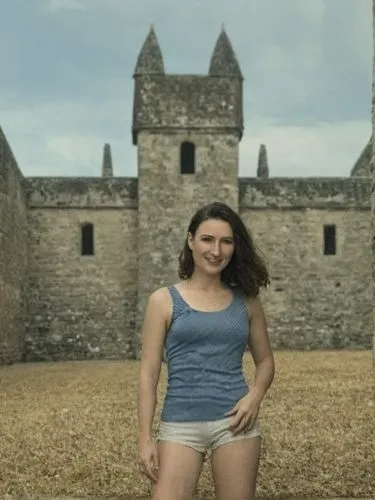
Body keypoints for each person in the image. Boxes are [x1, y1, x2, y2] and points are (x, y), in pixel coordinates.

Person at [137, 201, 275, 500]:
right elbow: (148, 373)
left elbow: (265, 361)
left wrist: (254, 397)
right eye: (207, 239)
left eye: (226, 241)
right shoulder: (163, 300)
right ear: (191, 241)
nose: (217, 250)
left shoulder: (247, 300)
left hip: (235, 425)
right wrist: (145, 438)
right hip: (179, 425)